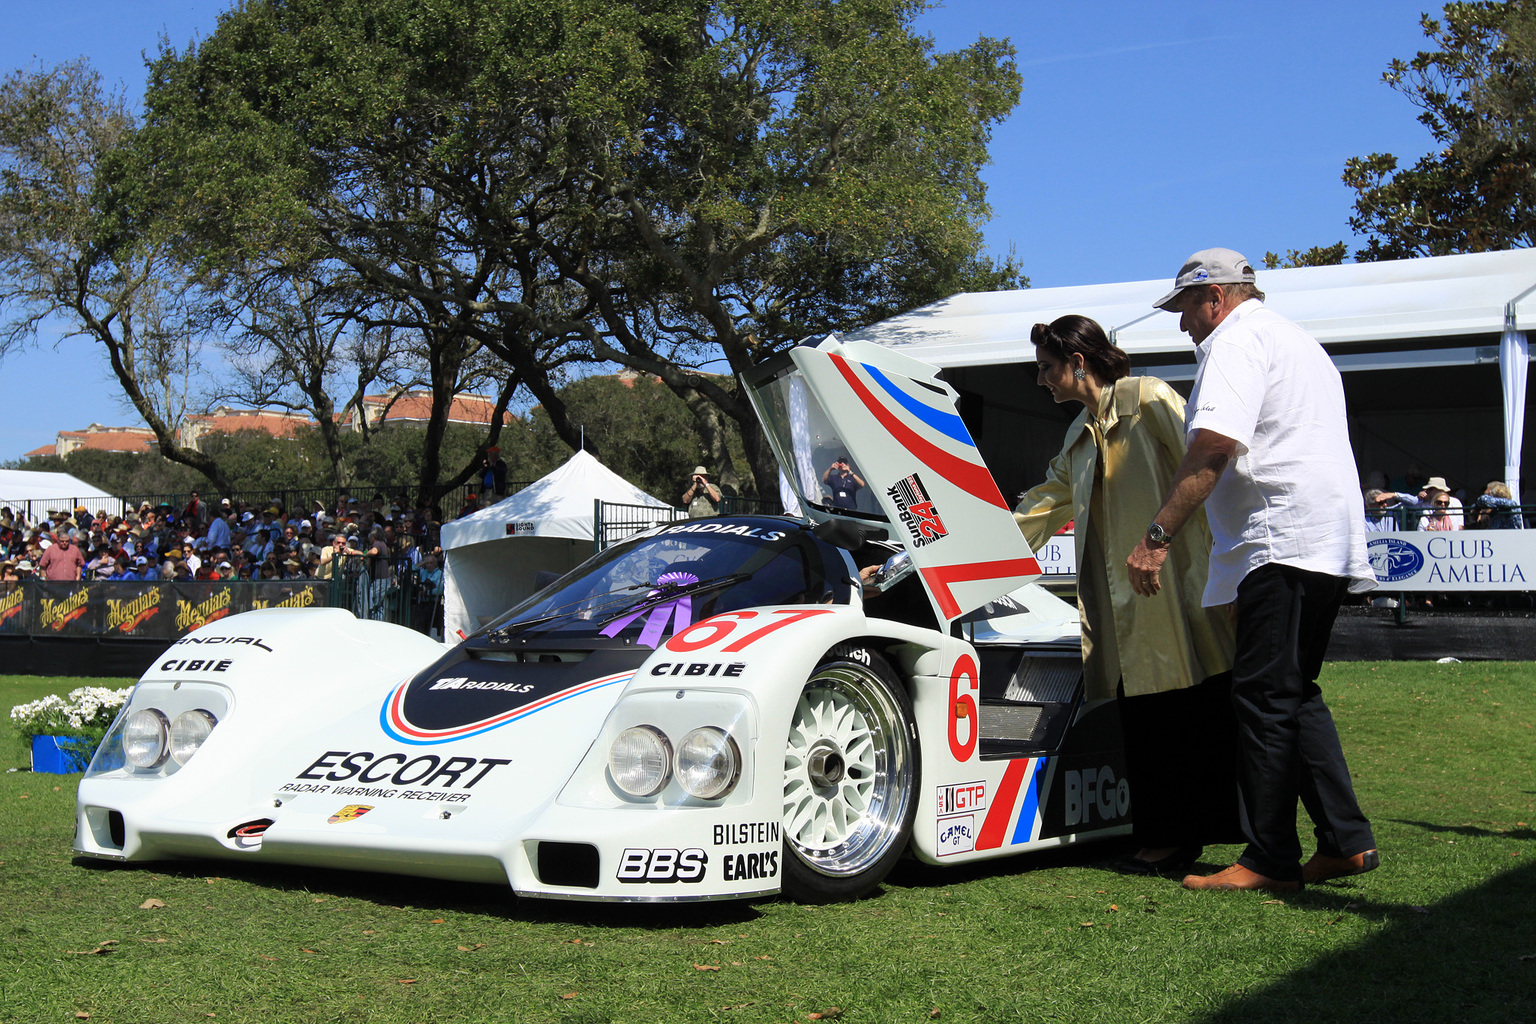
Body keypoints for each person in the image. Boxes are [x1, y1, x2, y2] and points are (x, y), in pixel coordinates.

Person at [1128, 248, 1379, 892]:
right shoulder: (1298, 341)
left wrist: (1156, 538)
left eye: (1185, 308)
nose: (1183, 324)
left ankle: (1269, 857)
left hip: (1281, 538)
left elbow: (1213, 445)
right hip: (1320, 539)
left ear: (1214, 297)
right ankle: (1344, 842)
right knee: (1294, 693)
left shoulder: (1233, 344)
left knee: (1264, 699)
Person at [1014, 315, 1239, 876]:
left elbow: (1211, 464)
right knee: (1146, 715)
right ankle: (1163, 835)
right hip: (1125, 605)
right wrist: (978, 544)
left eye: (1046, 368)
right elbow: (1044, 503)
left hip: (1180, 589)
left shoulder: (1149, 397)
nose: (1041, 381)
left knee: (1192, 709)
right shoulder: (1077, 435)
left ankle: (1182, 836)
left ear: (1078, 362)